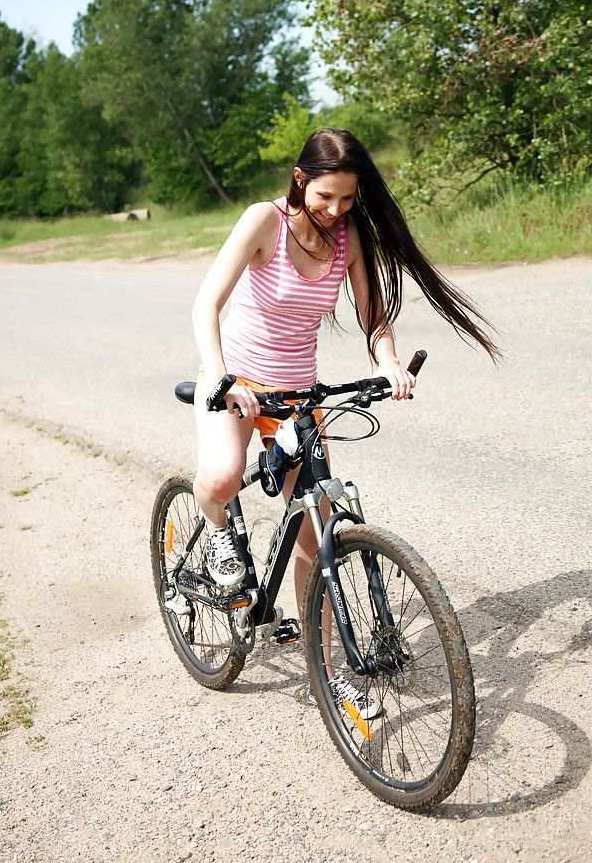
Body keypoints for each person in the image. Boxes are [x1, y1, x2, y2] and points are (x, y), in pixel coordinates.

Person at [191, 127, 499, 603]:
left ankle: (330, 675)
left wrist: (389, 361)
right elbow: (206, 304)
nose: (335, 210)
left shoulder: (347, 237)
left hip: (297, 395)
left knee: (317, 541)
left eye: (347, 199)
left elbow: (374, 317)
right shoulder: (263, 222)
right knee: (221, 478)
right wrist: (220, 379)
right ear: (299, 179)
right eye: (325, 196)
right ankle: (216, 532)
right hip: (237, 381)